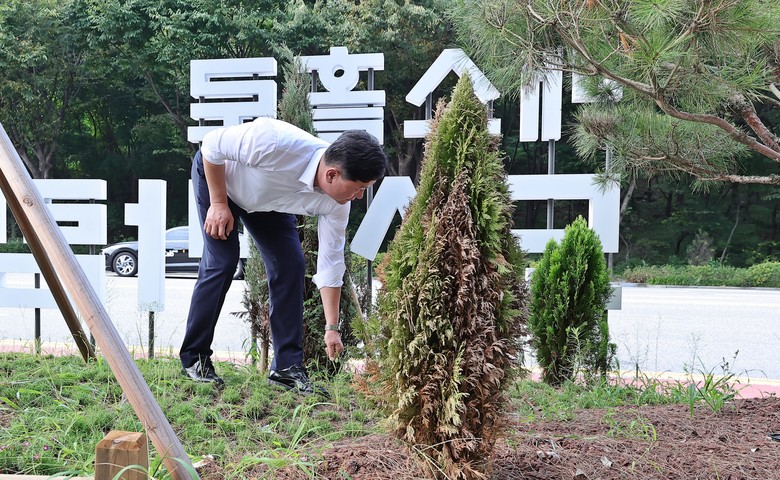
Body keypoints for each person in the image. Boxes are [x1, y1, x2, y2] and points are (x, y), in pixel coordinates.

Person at [180, 117, 387, 397]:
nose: (359, 196)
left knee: (290, 265)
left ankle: (286, 369)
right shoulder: (274, 141)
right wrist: (217, 203)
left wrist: (332, 328)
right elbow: (211, 146)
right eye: (359, 188)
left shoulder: (337, 204)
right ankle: (194, 358)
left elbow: (331, 265)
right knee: (223, 261)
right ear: (331, 175)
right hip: (222, 181)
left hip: (268, 203)